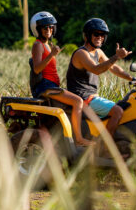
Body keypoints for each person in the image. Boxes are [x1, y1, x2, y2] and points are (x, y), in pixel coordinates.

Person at [30, 11, 92, 147]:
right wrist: (51, 55)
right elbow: (37, 69)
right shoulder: (38, 45)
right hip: (44, 87)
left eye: (51, 27)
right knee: (78, 101)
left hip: (52, 85)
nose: (48, 30)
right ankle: (79, 139)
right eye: (45, 27)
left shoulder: (47, 45)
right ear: (38, 29)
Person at [66, 18, 133, 138]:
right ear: (87, 35)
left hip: (92, 97)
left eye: (102, 35)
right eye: (96, 34)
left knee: (125, 107)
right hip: (83, 97)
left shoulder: (98, 52)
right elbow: (96, 69)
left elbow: (113, 68)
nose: (100, 37)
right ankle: (104, 147)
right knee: (117, 111)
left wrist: (132, 79)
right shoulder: (81, 53)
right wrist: (116, 56)